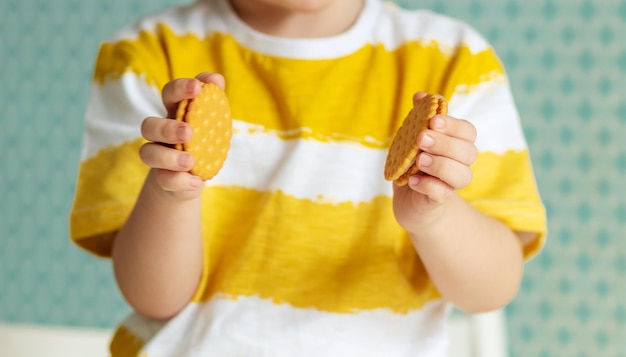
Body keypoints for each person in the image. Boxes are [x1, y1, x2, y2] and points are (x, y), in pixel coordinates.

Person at [70, 0, 547, 355]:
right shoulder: (146, 57)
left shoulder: (455, 61)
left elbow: (492, 289)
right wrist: (170, 193)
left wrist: (435, 218)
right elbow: (151, 297)